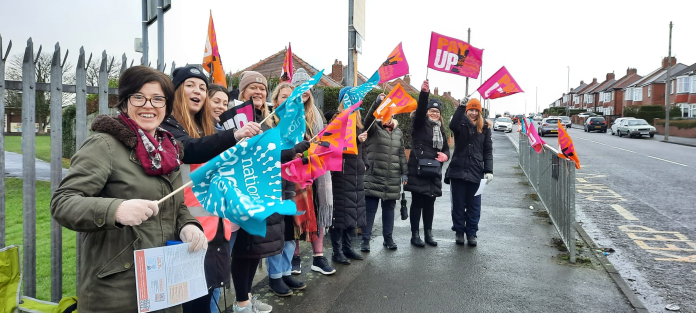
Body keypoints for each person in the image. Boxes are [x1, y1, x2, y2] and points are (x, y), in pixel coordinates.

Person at [51, 65, 207, 313]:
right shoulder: (104, 145)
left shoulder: (169, 149)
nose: (149, 105)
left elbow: (175, 205)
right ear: (124, 103)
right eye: (139, 97)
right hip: (117, 291)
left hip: (164, 283)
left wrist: (188, 224)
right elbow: (63, 202)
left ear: (166, 106)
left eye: (158, 99)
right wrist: (116, 210)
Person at [160, 67, 265, 313]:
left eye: (202, 87)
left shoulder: (205, 127)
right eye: (190, 85)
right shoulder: (168, 126)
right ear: (175, 90)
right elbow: (189, 149)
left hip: (215, 229)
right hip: (184, 233)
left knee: (206, 299)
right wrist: (234, 135)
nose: (198, 91)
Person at [230, 71, 307, 311]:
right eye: (252, 87)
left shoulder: (266, 118)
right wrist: (294, 149)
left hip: (262, 193)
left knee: (252, 250)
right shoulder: (236, 118)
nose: (258, 92)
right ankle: (241, 303)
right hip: (241, 194)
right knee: (238, 252)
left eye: (262, 88)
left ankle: (246, 298)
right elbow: (261, 154)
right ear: (242, 92)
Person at [288, 69, 336, 276]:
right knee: (296, 214)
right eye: (298, 87)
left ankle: (318, 256)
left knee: (317, 210)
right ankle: (294, 257)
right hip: (294, 171)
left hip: (316, 170)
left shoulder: (316, 114)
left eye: (306, 87)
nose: (303, 91)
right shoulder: (286, 112)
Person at [264, 82, 311, 297]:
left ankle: (284, 272)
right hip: (271, 187)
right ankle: (274, 277)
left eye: (292, 98)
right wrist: (294, 150)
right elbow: (270, 156)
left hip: (290, 185)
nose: (289, 101)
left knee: (289, 233)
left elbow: (292, 156)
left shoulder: (295, 125)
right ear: (275, 102)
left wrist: (302, 154)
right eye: (284, 97)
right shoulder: (268, 124)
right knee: (274, 232)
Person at [404, 80, 450, 248]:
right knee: (417, 202)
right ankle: (415, 235)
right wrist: (424, 94)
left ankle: (428, 233)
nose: (434, 114)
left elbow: (446, 149)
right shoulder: (420, 123)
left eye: (437, 112)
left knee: (430, 203)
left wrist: (445, 155)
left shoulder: (441, 130)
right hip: (418, 169)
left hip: (433, 171)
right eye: (431, 111)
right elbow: (421, 109)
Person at [360, 92, 408, 251]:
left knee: (389, 211)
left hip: (392, 178)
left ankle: (388, 238)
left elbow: (401, 153)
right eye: (384, 112)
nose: (387, 115)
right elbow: (367, 121)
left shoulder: (398, 132)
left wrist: (404, 173)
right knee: (370, 210)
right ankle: (365, 240)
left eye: (390, 112)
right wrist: (376, 103)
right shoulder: (374, 127)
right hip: (374, 176)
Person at [327, 87, 369, 265]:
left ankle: (347, 246)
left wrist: (365, 162)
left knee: (352, 212)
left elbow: (363, 149)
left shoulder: (359, 123)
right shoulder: (336, 119)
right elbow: (333, 143)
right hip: (340, 172)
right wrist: (355, 141)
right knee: (340, 213)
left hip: (356, 173)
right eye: (348, 98)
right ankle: (337, 250)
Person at [446, 98, 493, 246]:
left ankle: (471, 233)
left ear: (479, 112)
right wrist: (461, 106)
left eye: (476, 110)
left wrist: (489, 170)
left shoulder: (485, 128)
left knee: (474, 205)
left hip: (476, 172)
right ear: (467, 111)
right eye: (470, 110)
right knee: (458, 204)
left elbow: (487, 150)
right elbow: (452, 125)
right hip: (458, 170)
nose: (473, 113)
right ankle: (459, 231)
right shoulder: (460, 124)